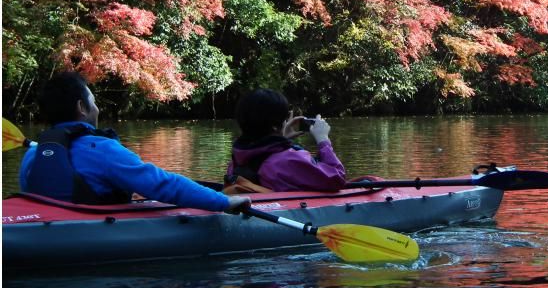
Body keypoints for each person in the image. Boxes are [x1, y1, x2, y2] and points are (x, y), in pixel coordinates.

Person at [19, 71, 251, 213]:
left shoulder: (34, 153)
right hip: (91, 231)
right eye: (94, 101)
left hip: (48, 225)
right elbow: (161, 184)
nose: (98, 108)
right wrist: (223, 202)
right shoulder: (102, 148)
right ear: (82, 107)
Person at [227, 88, 346, 192]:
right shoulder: (289, 161)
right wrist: (323, 140)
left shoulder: (236, 161)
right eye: (284, 119)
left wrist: (281, 139)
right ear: (275, 125)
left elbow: (262, 160)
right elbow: (337, 178)